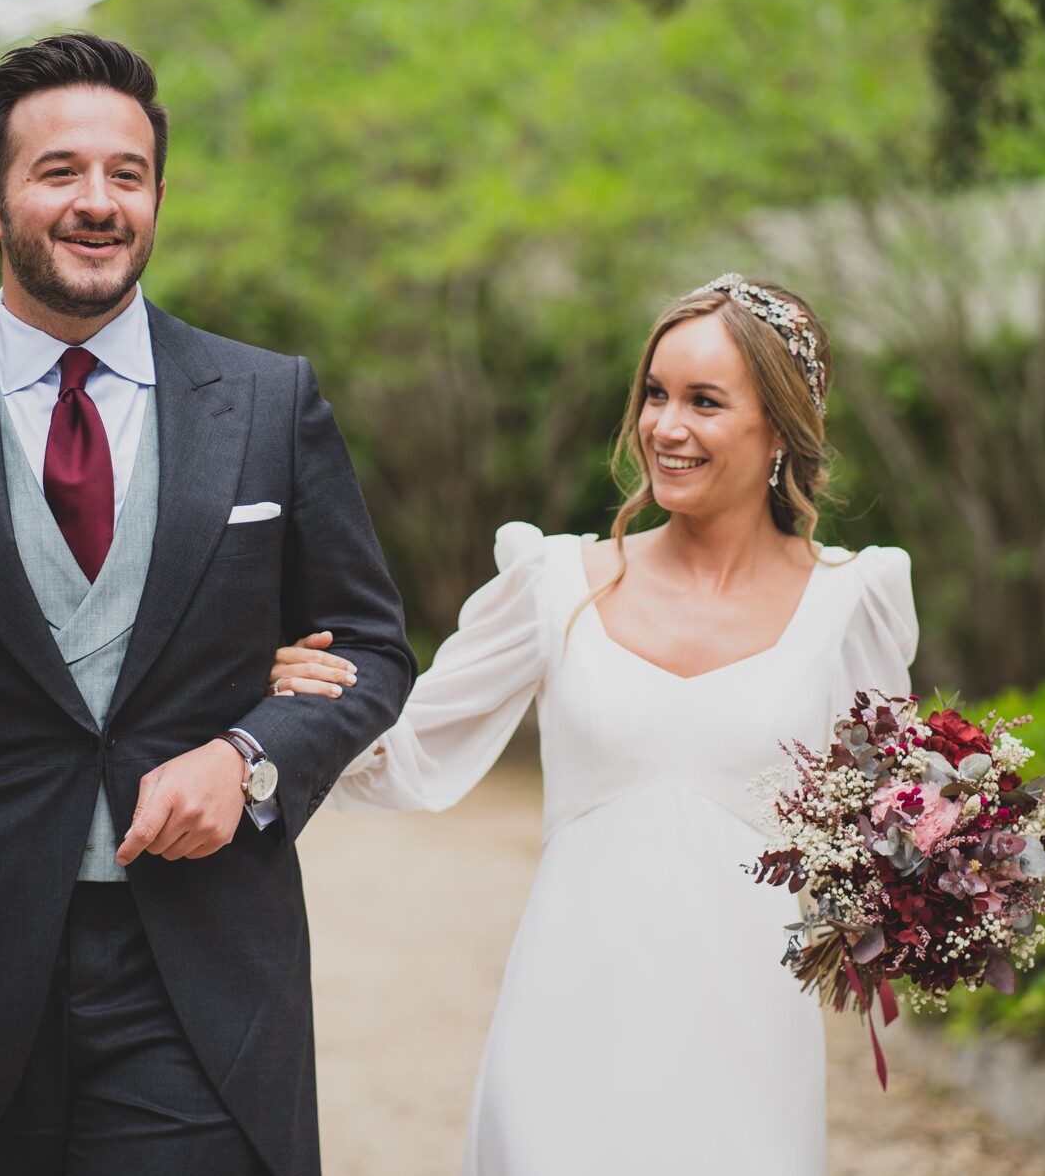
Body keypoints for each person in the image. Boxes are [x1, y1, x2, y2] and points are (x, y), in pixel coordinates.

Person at [0, 32, 415, 1176]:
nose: (97, 202)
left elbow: (369, 644)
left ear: (159, 193)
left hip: (201, 972)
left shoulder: (268, 402)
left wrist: (249, 756)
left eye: (127, 173)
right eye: (59, 171)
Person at [269, 275, 918, 1173]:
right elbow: (414, 748)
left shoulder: (854, 602)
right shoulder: (557, 581)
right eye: (655, 394)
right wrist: (308, 706)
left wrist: (962, 874)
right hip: (568, 1017)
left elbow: (897, 822)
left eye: (703, 401)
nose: (665, 425)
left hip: (749, 1033)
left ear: (779, 427)